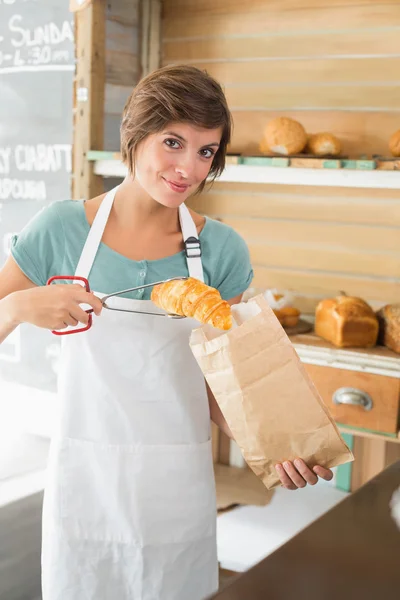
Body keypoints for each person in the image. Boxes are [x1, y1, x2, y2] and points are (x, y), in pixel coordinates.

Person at [0, 65, 333, 600]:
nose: (187, 168)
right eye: (173, 142)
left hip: (175, 483)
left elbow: (225, 379)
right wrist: (17, 305)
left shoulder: (223, 251)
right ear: (134, 136)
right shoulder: (60, 231)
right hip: (87, 478)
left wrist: (272, 443)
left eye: (206, 152)